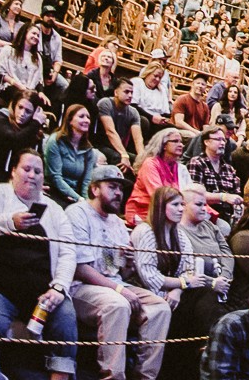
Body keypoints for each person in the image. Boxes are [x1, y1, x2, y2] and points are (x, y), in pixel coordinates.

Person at [0, 148, 81, 379]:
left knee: (66, 317)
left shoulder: (55, 210)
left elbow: (68, 253)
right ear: (13, 171)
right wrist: (10, 222)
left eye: (37, 171)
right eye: (26, 169)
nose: (32, 175)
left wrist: (59, 287)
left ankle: (60, 376)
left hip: (41, 292)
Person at [66, 161, 175, 380]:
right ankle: (113, 376)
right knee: (118, 304)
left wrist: (129, 264)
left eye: (120, 188)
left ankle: (145, 376)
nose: (118, 193)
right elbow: (80, 269)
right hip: (81, 287)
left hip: (114, 284)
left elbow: (116, 271)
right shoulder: (77, 213)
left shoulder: (116, 222)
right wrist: (119, 289)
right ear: (95, 189)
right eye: (112, 187)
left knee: (160, 308)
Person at [132, 182, 228, 380]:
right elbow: (149, 276)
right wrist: (182, 284)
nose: (180, 209)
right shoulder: (146, 231)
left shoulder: (178, 234)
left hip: (173, 293)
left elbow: (188, 267)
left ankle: (207, 352)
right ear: (161, 206)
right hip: (147, 292)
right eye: (175, 205)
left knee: (206, 294)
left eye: (182, 205)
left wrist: (177, 290)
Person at [0, 87, 49, 188]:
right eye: (20, 107)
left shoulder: (32, 131)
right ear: (14, 105)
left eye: (28, 111)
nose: (22, 114)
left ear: (34, 114)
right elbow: (13, 141)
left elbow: (38, 160)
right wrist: (36, 123)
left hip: (16, 182)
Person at [131, 125, 190, 227]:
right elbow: (157, 195)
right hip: (146, 211)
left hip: (172, 210)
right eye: (175, 141)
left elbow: (189, 193)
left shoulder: (179, 167)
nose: (180, 145)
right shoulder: (150, 164)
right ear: (164, 145)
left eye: (181, 142)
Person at [47, 101, 103, 204]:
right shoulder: (55, 141)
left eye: (88, 117)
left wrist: (86, 201)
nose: (86, 120)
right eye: (81, 116)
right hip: (54, 192)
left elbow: (86, 181)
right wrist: (79, 199)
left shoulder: (88, 149)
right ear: (70, 121)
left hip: (75, 195)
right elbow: (56, 177)